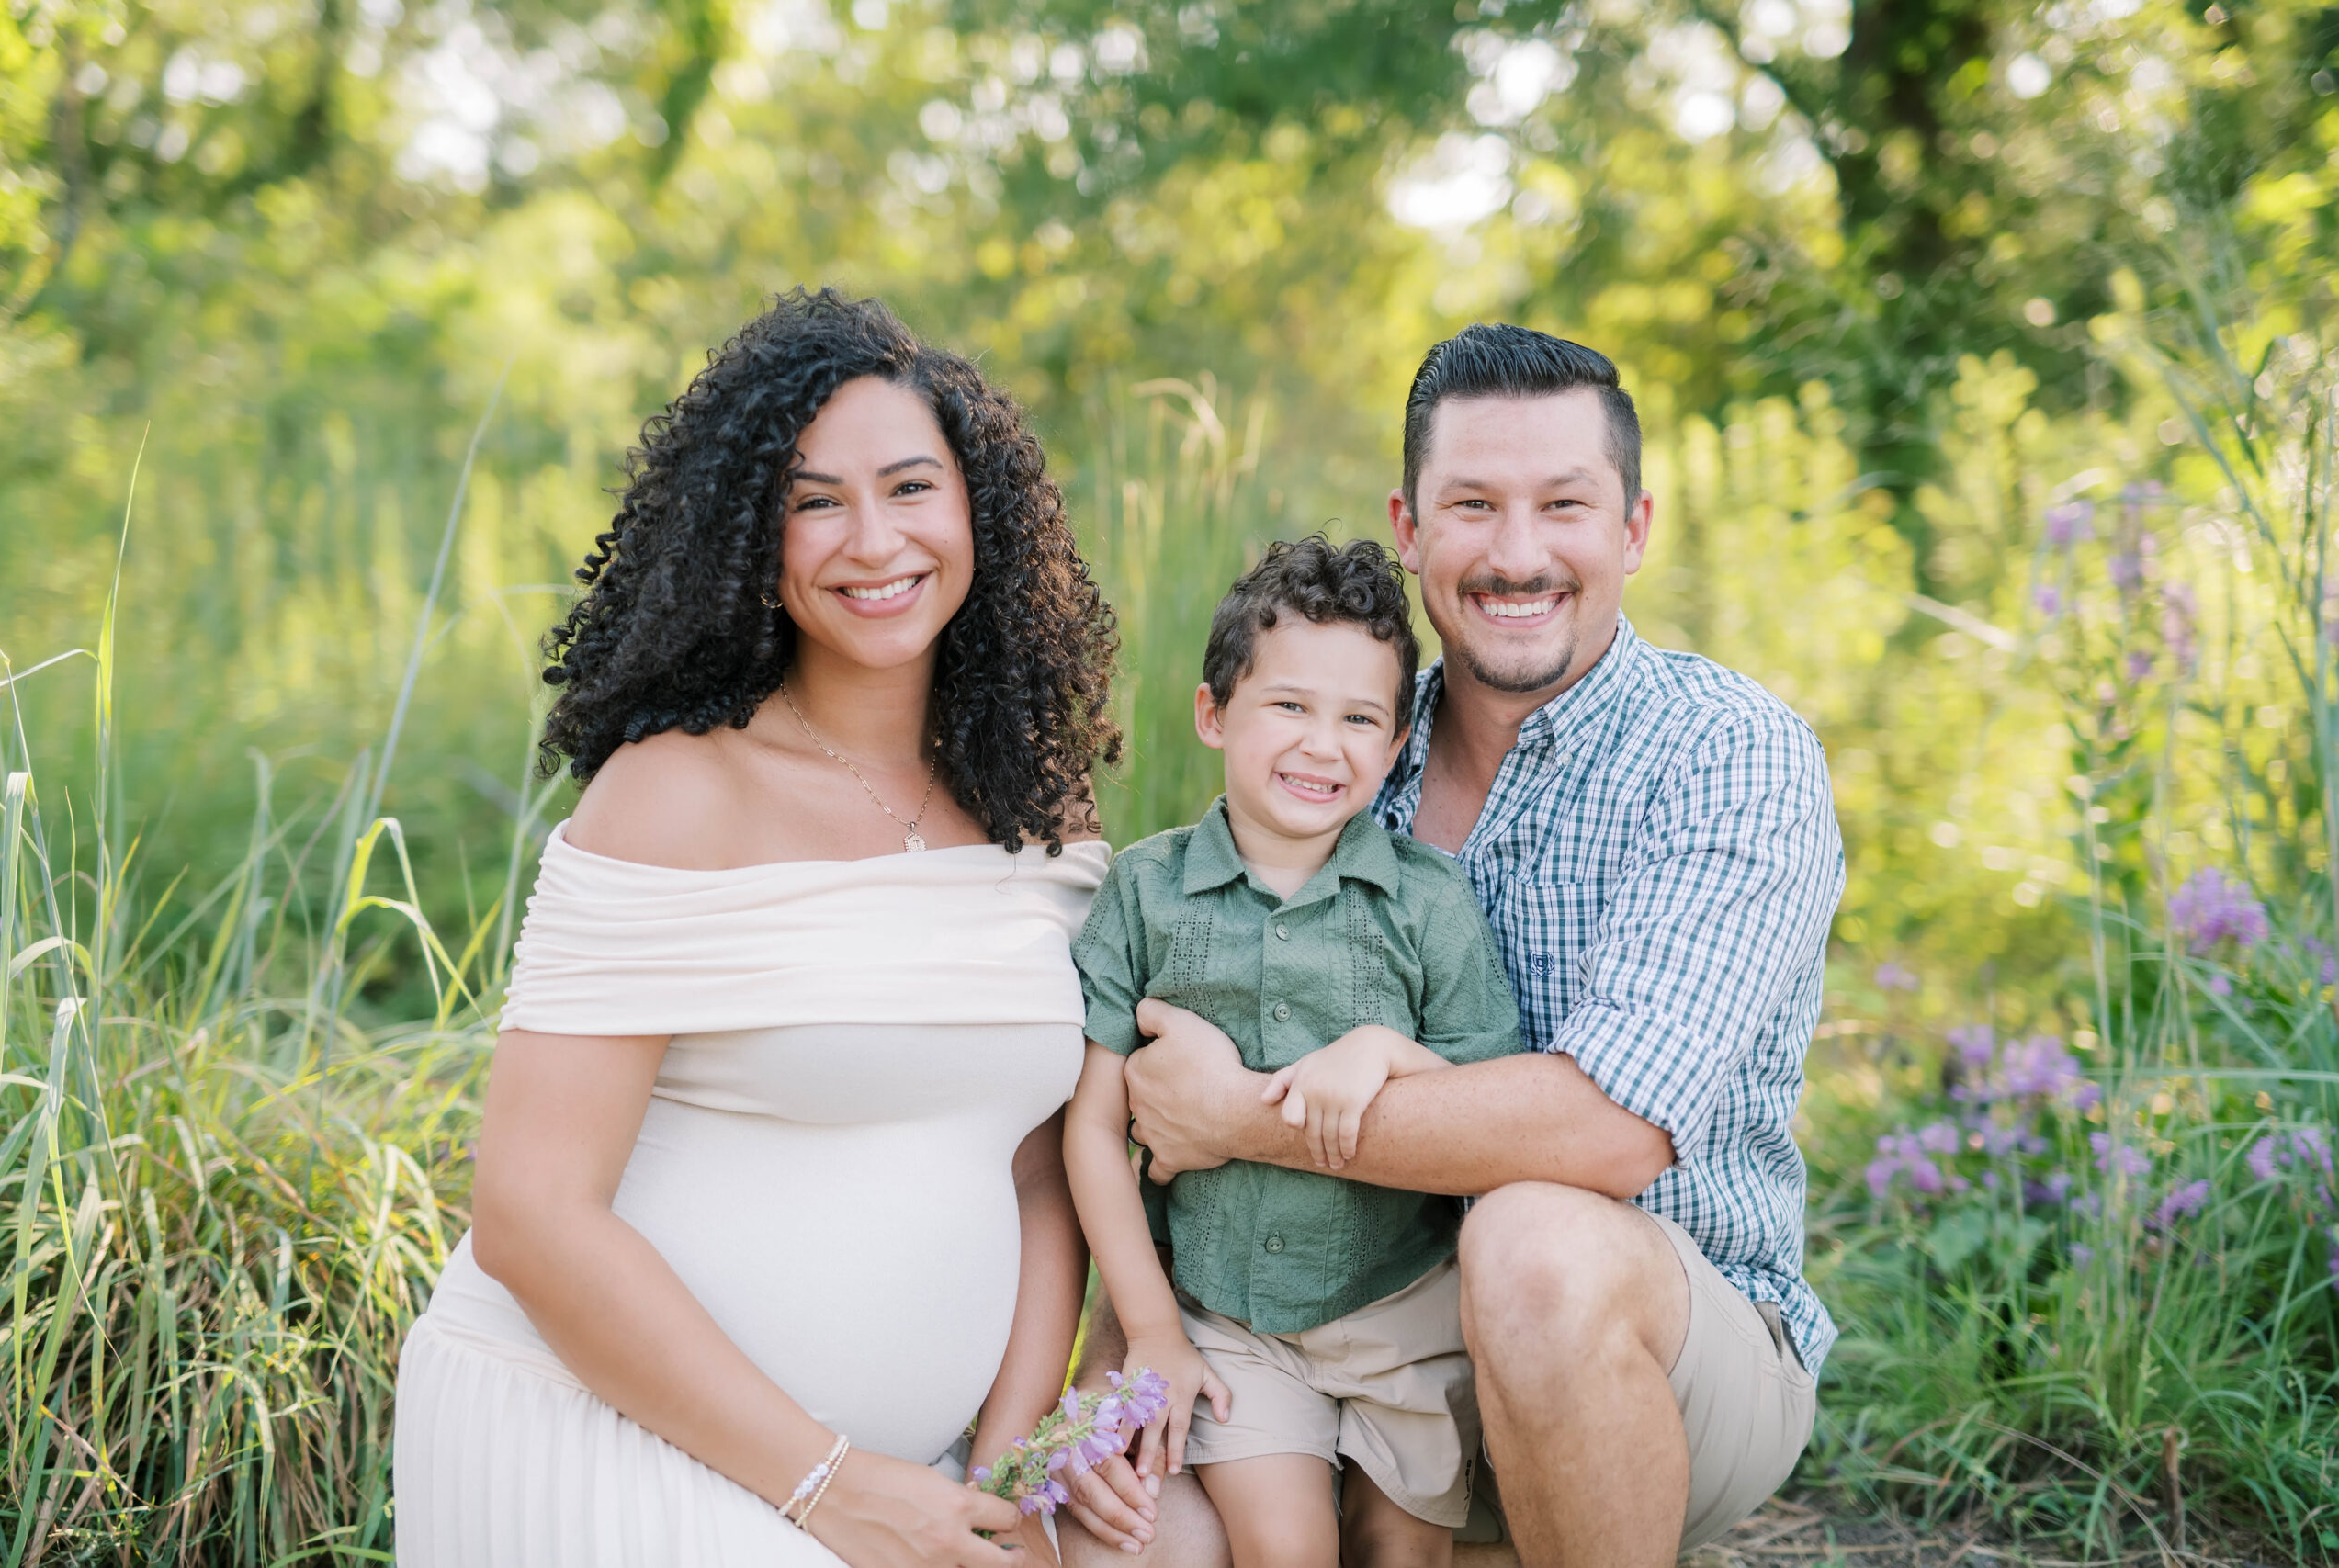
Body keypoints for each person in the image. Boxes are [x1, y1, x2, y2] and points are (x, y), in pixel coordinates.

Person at [1057, 325, 1844, 1568]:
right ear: (1410, 526)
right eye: (1473, 503)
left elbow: (1610, 1130)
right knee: (1120, 1539)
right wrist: (1120, 1353)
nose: (1517, 551)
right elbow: (1169, 1057)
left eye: (1564, 504)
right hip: (1314, 1339)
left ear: (1633, 527)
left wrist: (1243, 1114)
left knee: (1532, 1239)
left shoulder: (1729, 756)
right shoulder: (1336, 742)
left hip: (1657, 1346)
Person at [391, 288, 1121, 1568]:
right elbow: (531, 1210)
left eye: (910, 487)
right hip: (607, 1430)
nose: (872, 539)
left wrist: (1007, 1490)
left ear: (978, 513)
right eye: (813, 500)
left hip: (913, 1486)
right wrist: (834, 1487)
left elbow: (1036, 1169)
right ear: (749, 538)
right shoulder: (675, 792)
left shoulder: (1039, 808)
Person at [1063, 537, 1525, 1568]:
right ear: (1213, 714)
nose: (1324, 745)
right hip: (1234, 1322)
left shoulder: (1427, 902)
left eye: (1359, 718)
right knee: (1287, 1550)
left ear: (1399, 740)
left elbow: (1491, 1107)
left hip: (1406, 1311)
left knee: (1400, 1553)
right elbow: (1093, 1132)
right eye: (1289, 707)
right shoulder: (1144, 893)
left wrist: (1383, 1051)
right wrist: (1149, 1332)